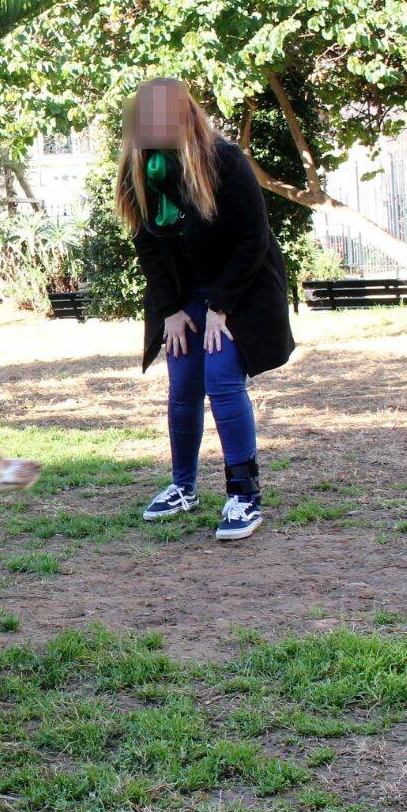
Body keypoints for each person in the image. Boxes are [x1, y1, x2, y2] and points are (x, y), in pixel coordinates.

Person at [118, 78, 295, 539]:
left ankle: (244, 495)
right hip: (183, 294)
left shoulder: (224, 160)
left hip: (240, 285)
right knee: (183, 383)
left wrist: (222, 307)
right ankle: (183, 487)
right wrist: (170, 310)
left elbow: (254, 238)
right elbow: (146, 245)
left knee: (221, 378)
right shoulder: (140, 168)